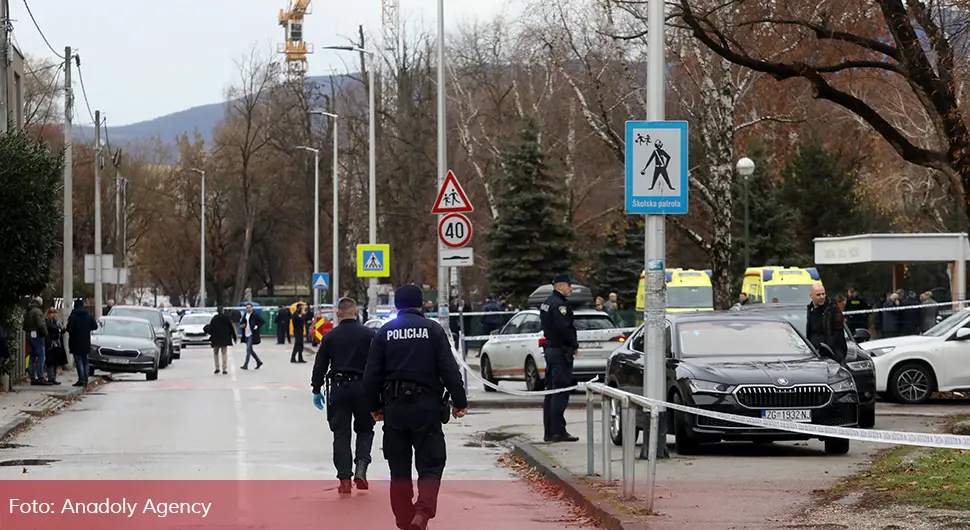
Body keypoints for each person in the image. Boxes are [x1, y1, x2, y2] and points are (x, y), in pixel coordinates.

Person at [363, 284, 468, 530]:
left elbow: (371, 376)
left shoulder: (385, 332)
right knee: (431, 463)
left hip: (394, 409)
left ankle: (403, 517)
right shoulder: (433, 330)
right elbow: (449, 369)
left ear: (397, 306)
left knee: (398, 468)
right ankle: (422, 513)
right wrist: (459, 402)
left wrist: (375, 406)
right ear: (421, 304)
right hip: (426, 408)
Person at [311, 297, 377, 494]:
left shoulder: (330, 336)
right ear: (356, 313)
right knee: (365, 430)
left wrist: (316, 388)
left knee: (341, 434)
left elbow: (320, 364)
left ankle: (345, 479)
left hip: (339, 388)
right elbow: (378, 363)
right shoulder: (369, 335)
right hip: (364, 388)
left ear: (338, 314)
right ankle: (362, 468)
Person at [539, 275, 580, 443]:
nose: (571, 289)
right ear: (561, 286)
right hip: (560, 351)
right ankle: (558, 431)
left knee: (551, 392)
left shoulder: (547, 302)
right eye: (569, 286)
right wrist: (574, 344)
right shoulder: (559, 305)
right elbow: (564, 328)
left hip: (551, 350)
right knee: (560, 391)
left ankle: (550, 430)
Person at [806, 284, 848, 364]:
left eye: (823, 294)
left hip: (831, 356)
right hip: (814, 355)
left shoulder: (833, 310)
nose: (822, 297)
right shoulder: (810, 310)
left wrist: (835, 353)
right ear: (811, 296)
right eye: (818, 295)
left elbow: (838, 334)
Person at [66, 299, 98, 387]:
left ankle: (81, 379)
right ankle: (86, 379)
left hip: (75, 342)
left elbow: (69, 328)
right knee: (85, 361)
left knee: (79, 361)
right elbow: (95, 326)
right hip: (86, 341)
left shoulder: (73, 316)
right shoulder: (88, 315)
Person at [24, 297, 49, 386]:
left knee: (32, 357)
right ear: (39, 303)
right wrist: (45, 333)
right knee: (41, 356)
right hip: (38, 335)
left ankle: (32, 378)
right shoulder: (38, 311)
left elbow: (24, 325)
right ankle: (41, 377)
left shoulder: (28, 311)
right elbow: (40, 324)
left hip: (29, 335)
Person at [205, 307, 236, 374]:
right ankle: (224, 369)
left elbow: (211, 328)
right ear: (223, 311)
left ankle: (217, 368)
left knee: (216, 353)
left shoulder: (214, 318)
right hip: (225, 339)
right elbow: (231, 328)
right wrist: (234, 337)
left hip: (216, 339)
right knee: (224, 354)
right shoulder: (226, 318)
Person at [44, 308, 66, 385]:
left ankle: (53, 377)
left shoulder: (57, 322)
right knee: (50, 362)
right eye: (52, 313)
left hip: (57, 344)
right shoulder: (47, 322)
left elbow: (62, 331)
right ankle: (51, 378)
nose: (54, 314)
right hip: (50, 344)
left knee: (56, 362)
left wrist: (62, 328)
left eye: (55, 313)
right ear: (48, 314)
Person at [239, 303, 264, 370]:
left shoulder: (255, 315)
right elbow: (242, 322)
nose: (248, 309)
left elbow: (262, 321)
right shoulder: (245, 314)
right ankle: (258, 361)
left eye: (249, 307)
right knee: (250, 350)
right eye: (247, 308)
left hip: (251, 334)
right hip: (246, 333)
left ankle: (245, 364)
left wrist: (257, 326)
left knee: (248, 349)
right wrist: (242, 325)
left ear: (252, 308)